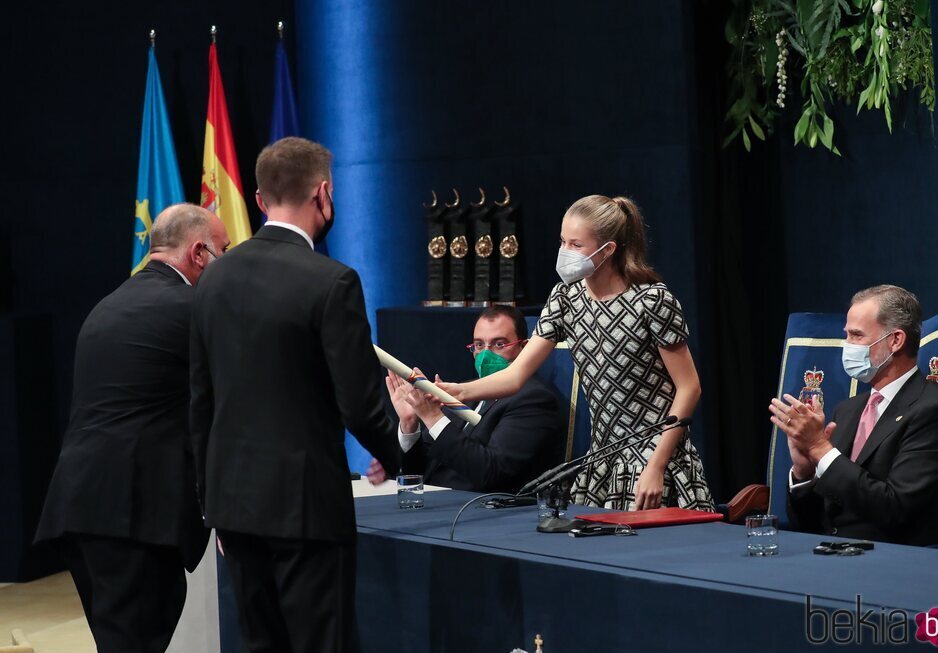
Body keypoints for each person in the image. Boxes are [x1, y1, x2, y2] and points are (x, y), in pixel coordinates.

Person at [190, 136, 401, 653]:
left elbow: (200, 400)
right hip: (306, 510)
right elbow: (358, 402)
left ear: (260, 200)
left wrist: (210, 501)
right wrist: (406, 454)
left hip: (233, 508)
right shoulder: (332, 282)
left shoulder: (211, 280)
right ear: (324, 193)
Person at [438, 195, 714, 512]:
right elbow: (515, 375)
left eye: (575, 245)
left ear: (608, 250)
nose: (564, 252)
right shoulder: (566, 296)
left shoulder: (652, 301)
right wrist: (459, 391)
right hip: (603, 458)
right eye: (562, 242)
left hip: (656, 456)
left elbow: (689, 387)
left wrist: (656, 465)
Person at [35, 204, 229, 652]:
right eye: (226, 250)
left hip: (82, 507)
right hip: (132, 518)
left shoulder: (110, 303)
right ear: (200, 253)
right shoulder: (192, 310)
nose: (230, 264)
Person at [770, 285, 938, 546]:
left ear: (895, 340)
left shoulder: (933, 412)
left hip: (890, 565)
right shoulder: (847, 410)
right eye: (846, 335)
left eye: (856, 335)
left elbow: (894, 508)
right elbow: (808, 524)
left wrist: (820, 448)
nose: (846, 345)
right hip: (827, 557)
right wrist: (805, 473)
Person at [371, 305, 562, 493]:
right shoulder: (466, 390)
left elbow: (492, 474)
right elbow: (420, 473)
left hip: (483, 513)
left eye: (499, 344)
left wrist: (433, 418)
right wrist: (410, 424)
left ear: (524, 347)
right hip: (433, 505)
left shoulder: (534, 399)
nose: (486, 354)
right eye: (479, 345)